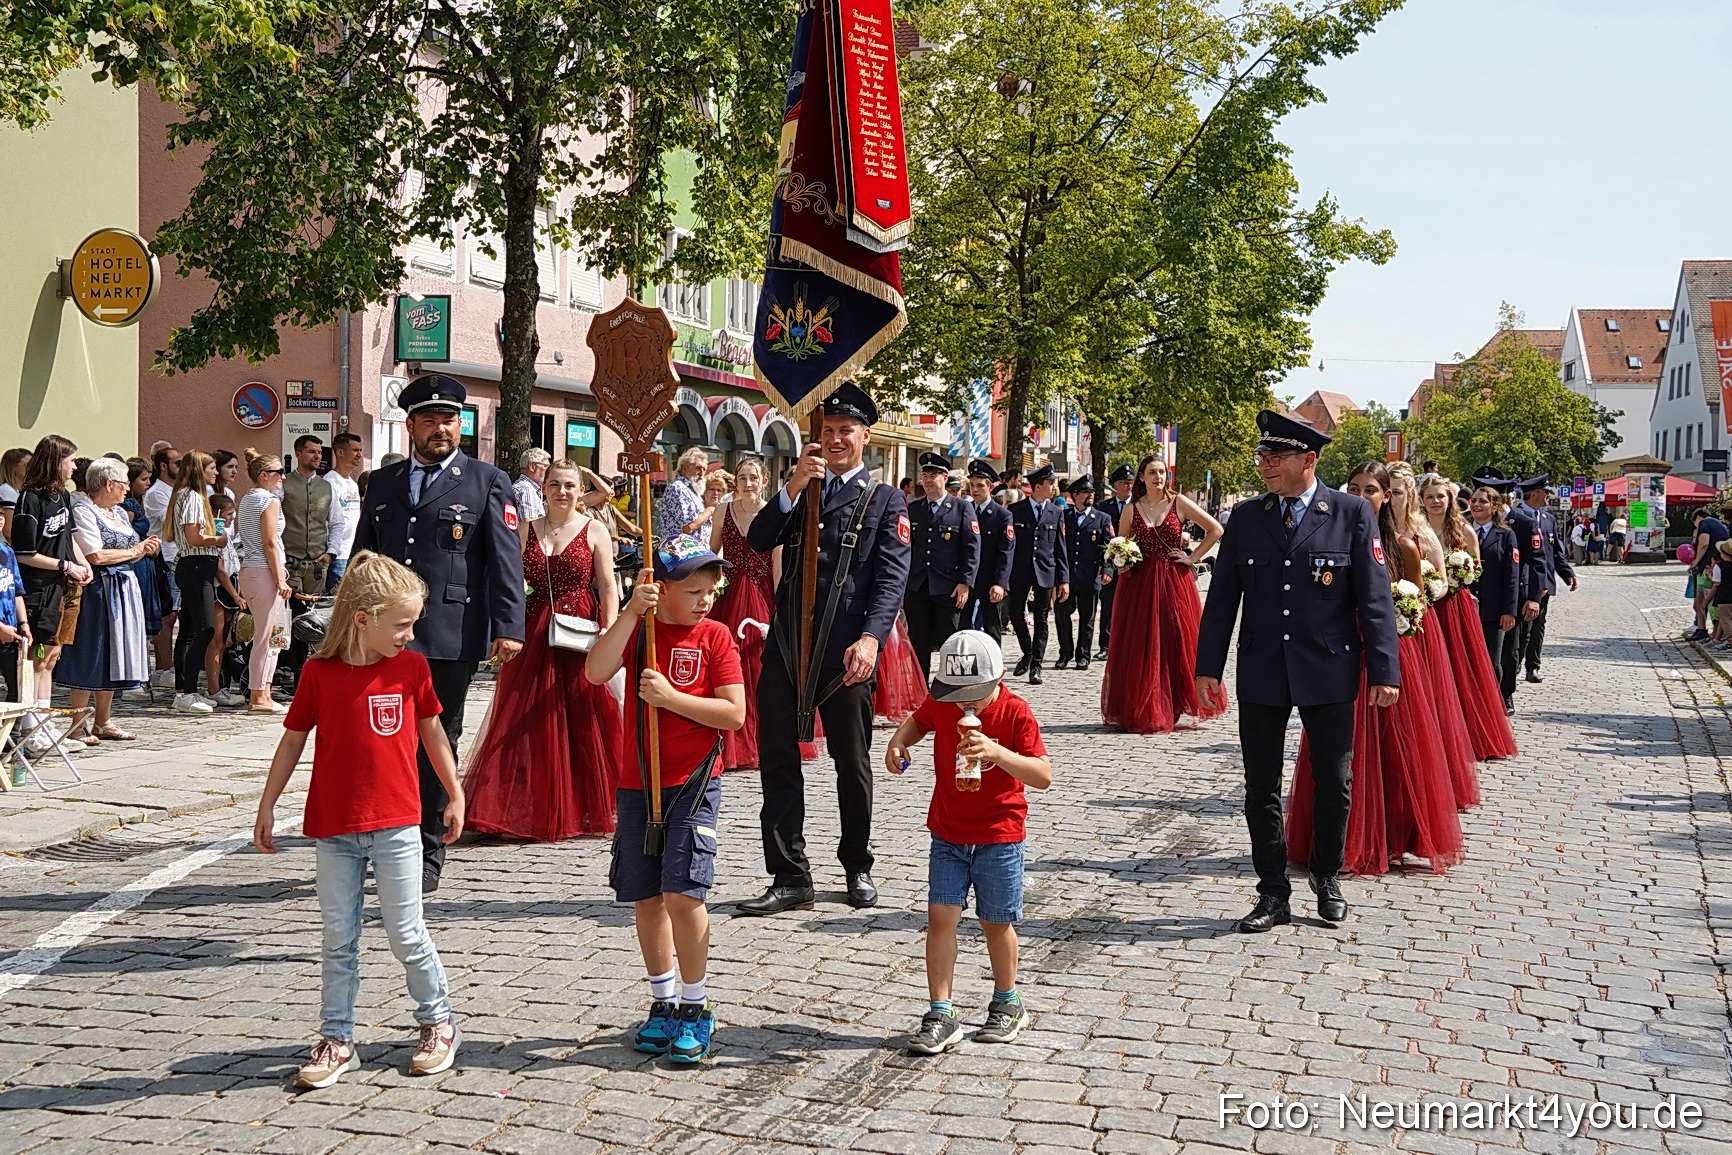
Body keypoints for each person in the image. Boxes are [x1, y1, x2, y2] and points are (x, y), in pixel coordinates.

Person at [252, 552, 464, 1089]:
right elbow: (292, 741)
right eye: (402, 624)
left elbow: (434, 735)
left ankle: (437, 1022)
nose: (411, 635)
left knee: (406, 933)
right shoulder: (319, 672)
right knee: (337, 937)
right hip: (334, 827)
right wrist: (267, 803)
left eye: (414, 623)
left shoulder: (412, 668)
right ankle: (337, 1037)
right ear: (363, 617)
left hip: (397, 824)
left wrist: (456, 791)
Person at [1195, 410, 1400, 933]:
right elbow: (1222, 601)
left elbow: (1374, 599)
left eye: (1275, 456)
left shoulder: (1352, 513)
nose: (1264, 464)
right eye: (1262, 456)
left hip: (1328, 666)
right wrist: (1207, 667)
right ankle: (1272, 891)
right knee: (1260, 785)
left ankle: (1327, 877)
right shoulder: (1246, 517)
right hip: (1263, 667)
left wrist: (1385, 669)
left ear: (1308, 461)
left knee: (1334, 779)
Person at [736, 382, 911, 916]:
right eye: (827, 431)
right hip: (789, 646)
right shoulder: (803, 490)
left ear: (865, 437)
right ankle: (790, 874)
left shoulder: (885, 499)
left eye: (846, 431)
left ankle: (856, 862)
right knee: (778, 760)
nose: (835, 440)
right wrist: (791, 485)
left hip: (845, 653)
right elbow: (760, 538)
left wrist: (871, 640)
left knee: (851, 763)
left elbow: (890, 578)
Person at [352, 374, 526, 893]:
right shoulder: (383, 483)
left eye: (448, 419)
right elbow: (365, 558)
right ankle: (385, 835)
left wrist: (508, 626)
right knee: (383, 736)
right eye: (429, 420)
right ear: (411, 426)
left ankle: (426, 848)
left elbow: (504, 561)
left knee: (437, 737)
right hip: (384, 634)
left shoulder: (486, 481)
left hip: (451, 632)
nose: (440, 429)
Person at [584, 534, 745, 1064]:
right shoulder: (644, 631)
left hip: (695, 781)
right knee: (647, 897)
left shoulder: (716, 637)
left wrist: (672, 699)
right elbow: (595, 670)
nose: (704, 599)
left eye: (711, 589)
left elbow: (734, 714)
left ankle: (697, 1006)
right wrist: (630, 613)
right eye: (693, 589)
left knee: (684, 894)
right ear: (662, 589)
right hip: (638, 781)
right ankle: (663, 1001)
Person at [1287, 463, 1463, 877]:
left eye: (1371, 490)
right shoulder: (1326, 535)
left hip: (1384, 660)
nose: (1362, 496)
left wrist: (1401, 609)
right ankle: (1333, 840)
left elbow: (1418, 604)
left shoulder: (1403, 546)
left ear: (1386, 497)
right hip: (1338, 661)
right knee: (1335, 758)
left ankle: (1390, 836)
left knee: (1391, 752)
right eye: (1354, 488)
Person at [885, 630, 1051, 1054]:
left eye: (975, 694)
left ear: (1001, 677)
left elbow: (1043, 775)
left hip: (999, 834)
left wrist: (997, 753)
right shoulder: (944, 704)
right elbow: (917, 721)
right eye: (957, 693)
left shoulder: (1016, 711)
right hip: (949, 831)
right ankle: (941, 1011)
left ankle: (1007, 1001)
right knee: (941, 916)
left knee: (996, 922)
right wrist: (898, 742)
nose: (965, 703)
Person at [461, 459, 623, 840]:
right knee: (524, 715)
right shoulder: (527, 529)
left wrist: (610, 630)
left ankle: (580, 802)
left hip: (579, 629)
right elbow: (507, 578)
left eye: (569, 484)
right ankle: (517, 805)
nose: (562, 491)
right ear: (543, 488)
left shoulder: (594, 529)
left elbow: (607, 584)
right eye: (555, 484)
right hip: (532, 629)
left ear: (580, 490)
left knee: (581, 712)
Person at [1100, 453, 1225, 731]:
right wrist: (1120, 562)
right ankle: (1145, 703)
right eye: (1152, 472)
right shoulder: (1132, 508)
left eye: (1161, 472)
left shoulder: (1178, 502)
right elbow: (1121, 543)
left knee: (1174, 639)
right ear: (1141, 477)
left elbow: (1215, 529)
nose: (1158, 477)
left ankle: (1176, 701)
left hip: (1172, 580)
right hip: (1140, 583)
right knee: (1141, 644)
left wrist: (1193, 558)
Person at [56, 457, 157, 742]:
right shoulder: (84, 511)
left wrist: (143, 549)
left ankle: (104, 720)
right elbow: (95, 555)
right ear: (109, 484)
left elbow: (127, 551)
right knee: (92, 648)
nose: (127, 489)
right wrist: (135, 550)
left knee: (117, 650)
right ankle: (78, 722)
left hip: (124, 586)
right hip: (98, 587)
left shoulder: (120, 514)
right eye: (124, 483)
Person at [1421, 475, 1516, 764]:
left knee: (1463, 666)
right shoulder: (1418, 530)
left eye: (1441, 496)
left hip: (1453, 605)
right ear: (1422, 501)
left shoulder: (1463, 529)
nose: (1436, 501)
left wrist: (1458, 575)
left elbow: (1475, 569)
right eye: (1430, 496)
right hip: (1427, 604)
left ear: (1450, 499)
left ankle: (1473, 732)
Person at [11, 435, 95, 749]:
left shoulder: (63, 497)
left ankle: (44, 726)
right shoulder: (29, 499)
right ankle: (30, 729)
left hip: (63, 587)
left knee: (52, 656)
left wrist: (82, 563)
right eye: (70, 460)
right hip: (37, 588)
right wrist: (64, 566)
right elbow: (24, 552)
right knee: (37, 657)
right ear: (55, 461)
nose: (75, 466)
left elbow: (68, 537)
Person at [708, 456, 778, 772]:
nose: (747, 484)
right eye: (742, 478)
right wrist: (707, 592)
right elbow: (713, 555)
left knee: (761, 668)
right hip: (731, 594)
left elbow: (777, 564)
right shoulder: (724, 510)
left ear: (764, 481)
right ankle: (732, 740)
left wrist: (780, 607)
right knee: (729, 667)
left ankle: (763, 740)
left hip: (762, 595)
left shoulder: (775, 513)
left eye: (753, 478)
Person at [903, 452, 980, 677]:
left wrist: (965, 582)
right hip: (918, 585)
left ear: (945, 478)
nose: (928, 480)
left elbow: (972, 548)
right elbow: (906, 547)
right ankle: (919, 689)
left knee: (951, 639)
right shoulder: (914, 508)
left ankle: (952, 686)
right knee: (918, 640)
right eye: (925, 476)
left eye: (933, 475)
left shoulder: (962, 508)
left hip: (948, 586)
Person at [167, 451, 231, 714]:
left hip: (195, 565)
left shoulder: (185, 494)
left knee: (190, 629)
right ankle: (188, 690)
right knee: (205, 628)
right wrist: (218, 539)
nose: (216, 473)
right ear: (200, 470)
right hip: (195, 563)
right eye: (212, 468)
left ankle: (184, 689)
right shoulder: (193, 496)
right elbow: (193, 537)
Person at [238, 450, 293, 713]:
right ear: (264, 476)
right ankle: (258, 695)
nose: (283, 476)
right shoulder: (269, 500)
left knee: (272, 636)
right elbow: (270, 541)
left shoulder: (249, 498)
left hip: (253, 569)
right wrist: (280, 578)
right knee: (267, 637)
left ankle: (264, 693)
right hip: (264, 572)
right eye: (278, 473)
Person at [1006, 464, 1069, 686]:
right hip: (1020, 570)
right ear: (1038, 486)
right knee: (1015, 613)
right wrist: (1004, 577)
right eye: (1050, 483)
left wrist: (1064, 579)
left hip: (1046, 570)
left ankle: (1036, 666)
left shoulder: (1057, 512)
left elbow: (1061, 548)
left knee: (1041, 618)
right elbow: (1010, 546)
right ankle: (1027, 651)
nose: (1054, 487)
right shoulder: (1015, 511)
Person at [1509, 476, 1577, 681]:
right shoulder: (1516, 516)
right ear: (1535, 493)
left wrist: (1567, 573)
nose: (1549, 495)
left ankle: (1533, 667)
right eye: (1546, 492)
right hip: (1524, 581)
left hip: (1544, 582)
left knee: (1538, 627)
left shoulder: (1548, 519)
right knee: (1522, 629)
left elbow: (1555, 551)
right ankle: (1515, 663)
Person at [1465, 477, 1521, 714]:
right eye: (1474, 500)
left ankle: (1491, 705)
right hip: (1464, 607)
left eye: (1483, 501)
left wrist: (1509, 611)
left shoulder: (1506, 535)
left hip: (1492, 609)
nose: (1476, 505)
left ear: (1495, 507)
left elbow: (1512, 575)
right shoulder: (1461, 530)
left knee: (1491, 660)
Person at [1054, 476, 1113, 672]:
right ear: (1075, 495)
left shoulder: (1102, 518)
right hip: (1067, 577)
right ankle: (1065, 653)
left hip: (1090, 576)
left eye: (1091, 492)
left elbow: (1110, 547)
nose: (1090, 496)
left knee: (1087, 619)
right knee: (1062, 616)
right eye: (1086, 492)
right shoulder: (1064, 517)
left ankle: (1083, 655)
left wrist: (1107, 569)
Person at [282, 434, 344, 597]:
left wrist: (331, 552)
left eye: (319, 452)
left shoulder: (328, 487)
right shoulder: (283, 484)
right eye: (311, 452)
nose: (317, 456)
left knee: (311, 613)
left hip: (318, 564)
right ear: (298, 454)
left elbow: (337, 523)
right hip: (289, 562)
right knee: (290, 611)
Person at [203, 491, 248, 707]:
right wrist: (235, 595)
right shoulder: (213, 532)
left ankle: (219, 685)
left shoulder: (225, 534)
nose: (232, 518)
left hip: (230, 585)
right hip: (220, 590)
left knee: (224, 643)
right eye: (229, 514)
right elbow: (219, 569)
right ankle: (213, 688)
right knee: (216, 641)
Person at [142, 445, 183, 684]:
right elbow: (173, 523)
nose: (181, 467)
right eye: (177, 463)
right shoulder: (158, 492)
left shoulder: (176, 490)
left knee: (176, 613)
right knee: (168, 616)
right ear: (163, 466)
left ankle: (170, 666)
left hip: (179, 555)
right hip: (166, 556)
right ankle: (163, 668)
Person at [961, 461, 1014, 644]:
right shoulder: (963, 510)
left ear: (990, 487)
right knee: (963, 627)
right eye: (972, 486)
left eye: (980, 486)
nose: (975, 490)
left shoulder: (1002, 515)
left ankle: (994, 666)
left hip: (989, 579)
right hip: (967, 579)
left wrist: (1000, 583)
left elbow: (1005, 552)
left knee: (992, 626)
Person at [1093, 465, 1135, 659]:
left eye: (1131, 483)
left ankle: (1130, 644)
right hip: (1110, 564)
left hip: (1134, 563)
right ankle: (1106, 645)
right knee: (1108, 605)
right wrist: (1107, 567)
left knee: (1133, 606)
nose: (1128, 487)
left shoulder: (1138, 505)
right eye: (1124, 483)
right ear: (1116, 485)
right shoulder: (1103, 508)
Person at [325, 433, 365, 590]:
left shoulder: (352, 484)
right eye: (355, 450)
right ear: (340, 452)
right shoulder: (329, 482)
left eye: (360, 450)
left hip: (352, 554)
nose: (359, 455)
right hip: (337, 555)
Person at [1687, 509, 1726, 639]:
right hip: (1715, 565)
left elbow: (1704, 543)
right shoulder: (1719, 524)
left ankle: (1703, 630)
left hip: (1706, 568)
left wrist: (1695, 562)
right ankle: (1701, 629)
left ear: (1698, 517)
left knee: (1701, 601)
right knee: (1702, 601)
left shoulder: (1704, 523)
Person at [658, 448, 713, 540]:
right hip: (682, 551)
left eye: (704, 469)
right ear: (684, 468)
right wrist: (710, 511)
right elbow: (689, 526)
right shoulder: (678, 488)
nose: (702, 473)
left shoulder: (692, 489)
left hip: (693, 550)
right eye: (698, 468)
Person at [0, 446, 32, 543]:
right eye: (28, 464)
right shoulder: (7, 491)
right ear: (13, 467)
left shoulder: (19, 492)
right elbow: (8, 532)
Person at [513, 446, 551, 524]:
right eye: (546, 466)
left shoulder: (521, 486)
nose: (549, 471)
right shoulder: (526, 489)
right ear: (532, 467)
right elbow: (529, 525)